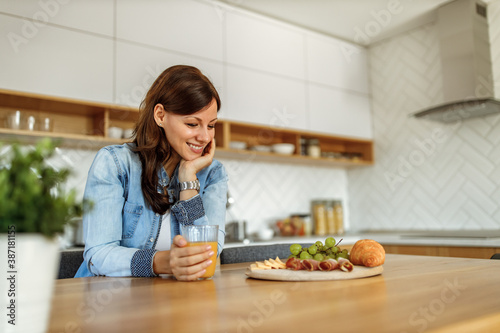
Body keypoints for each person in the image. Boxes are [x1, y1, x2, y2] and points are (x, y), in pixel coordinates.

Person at [74, 65, 228, 281]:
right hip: (106, 301)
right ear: (160, 115)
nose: (204, 137)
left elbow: (208, 255)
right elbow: (99, 255)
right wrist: (163, 262)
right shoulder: (115, 164)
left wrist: (188, 180)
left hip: (170, 303)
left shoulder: (213, 174)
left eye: (211, 125)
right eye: (193, 124)